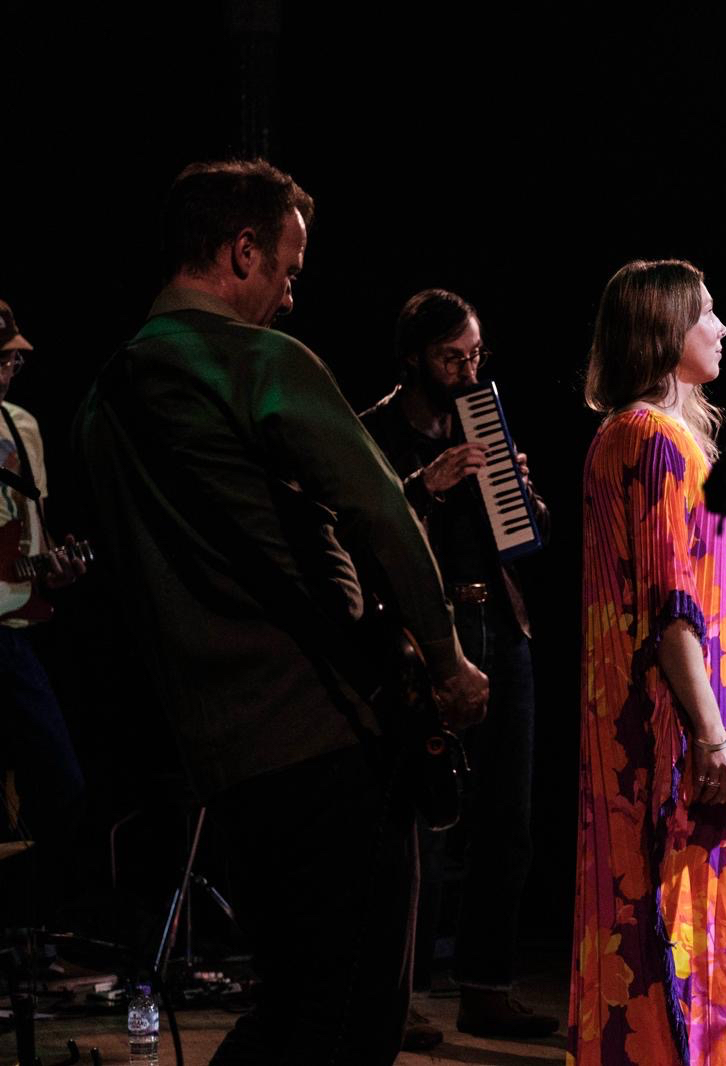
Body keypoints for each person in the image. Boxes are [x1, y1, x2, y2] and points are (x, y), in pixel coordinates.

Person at [74, 159, 489, 1066]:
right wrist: (449, 661)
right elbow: (379, 512)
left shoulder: (101, 405)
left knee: (293, 1007)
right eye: (289, 271)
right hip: (327, 740)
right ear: (242, 250)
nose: (293, 297)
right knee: (351, 1022)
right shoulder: (256, 360)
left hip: (222, 762)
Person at [568, 259, 726, 1065]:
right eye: (706, 314)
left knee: (652, 932)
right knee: (678, 938)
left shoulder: (629, 436)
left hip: (647, 728)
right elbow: (671, 610)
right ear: (666, 330)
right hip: (671, 732)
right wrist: (710, 733)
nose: (721, 328)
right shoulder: (653, 442)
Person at [360, 289, 555, 1043]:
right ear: (414, 357)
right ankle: (398, 995)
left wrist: (522, 496)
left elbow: (529, 540)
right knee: (425, 821)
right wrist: (425, 486)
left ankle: (486, 988)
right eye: (453, 358)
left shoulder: (485, 419)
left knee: (507, 817)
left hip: (499, 627)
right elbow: (358, 536)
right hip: (426, 638)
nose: (470, 371)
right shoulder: (376, 430)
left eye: (476, 355)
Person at [0, 298, 86, 868]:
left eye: (10, 360)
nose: (6, 371)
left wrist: (56, 565)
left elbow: (36, 524)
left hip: (14, 628)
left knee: (58, 789)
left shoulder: (22, 426)